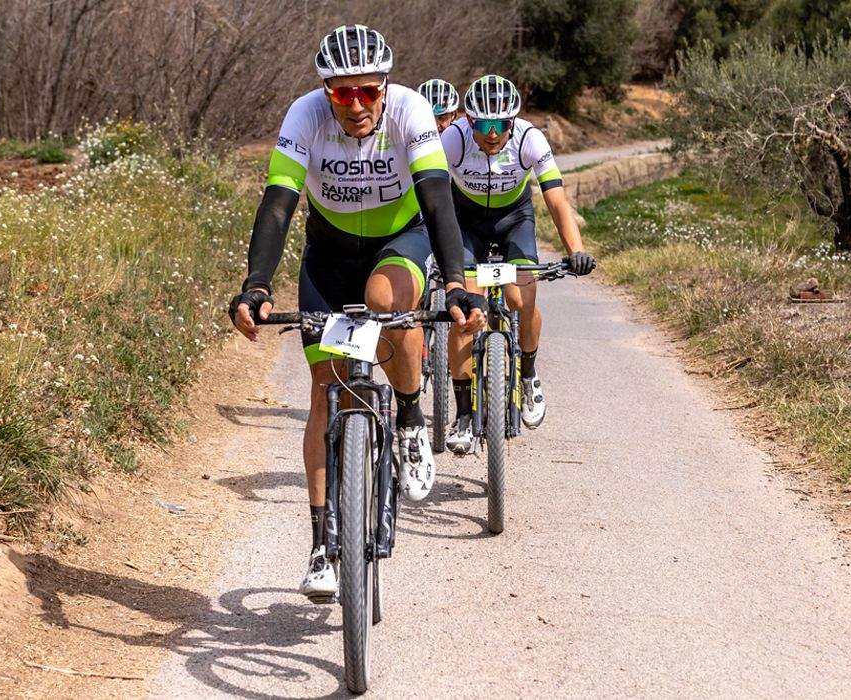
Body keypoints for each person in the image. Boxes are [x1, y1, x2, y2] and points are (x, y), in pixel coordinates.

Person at [230, 25, 486, 602]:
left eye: (367, 91)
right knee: (326, 388)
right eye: (340, 93)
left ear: (385, 88)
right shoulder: (304, 117)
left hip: (401, 240)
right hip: (329, 252)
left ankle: (413, 419)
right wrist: (255, 284)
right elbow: (278, 204)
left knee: (383, 302)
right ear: (325, 91)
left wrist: (455, 284)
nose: (355, 105)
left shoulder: (411, 113)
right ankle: (322, 544)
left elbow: (438, 199)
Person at [440, 74, 595, 454]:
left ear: (513, 122)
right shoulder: (453, 140)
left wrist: (576, 248)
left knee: (521, 298)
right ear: (468, 121)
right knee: (465, 313)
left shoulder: (529, 139)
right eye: (483, 125)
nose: (492, 134)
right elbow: (432, 195)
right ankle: (462, 415)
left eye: (501, 125)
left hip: (515, 221)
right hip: (466, 224)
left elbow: (556, 199)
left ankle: (528, 374)